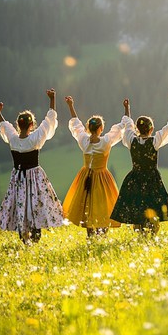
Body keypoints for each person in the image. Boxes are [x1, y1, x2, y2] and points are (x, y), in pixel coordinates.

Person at [0, 89, 64, 244]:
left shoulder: (13, 139)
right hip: (34, 177)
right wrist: (52, 99)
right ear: (31, 125)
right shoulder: (34, 139)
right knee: (34, 205)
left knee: (21, 204)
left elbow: (5, 126)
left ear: (18, 125)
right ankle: (35, 236)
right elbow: (49, 121)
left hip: (18, 177)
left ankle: (24, 237)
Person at [110, 95, 168, 233]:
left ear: (138, 128)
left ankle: (139, 231)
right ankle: (152, 232)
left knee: (137, 207)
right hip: (151, 178)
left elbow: (127, 125)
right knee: (152, 206)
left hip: (135, 178)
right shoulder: (154, 141)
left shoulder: (132, 141)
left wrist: (127, 109)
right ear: (151, 129)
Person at [62, 96, 128, 236]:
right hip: (102, 176)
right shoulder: (105, 142)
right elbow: (121, 127)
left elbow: (76, 125)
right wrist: (127, 109)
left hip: (85, 176)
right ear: (101, 128)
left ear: (88, 128)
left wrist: (70, 105)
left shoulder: (84, 141)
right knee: (102, 204)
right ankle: (102, 231)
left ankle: (90, 233)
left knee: (87, 203)